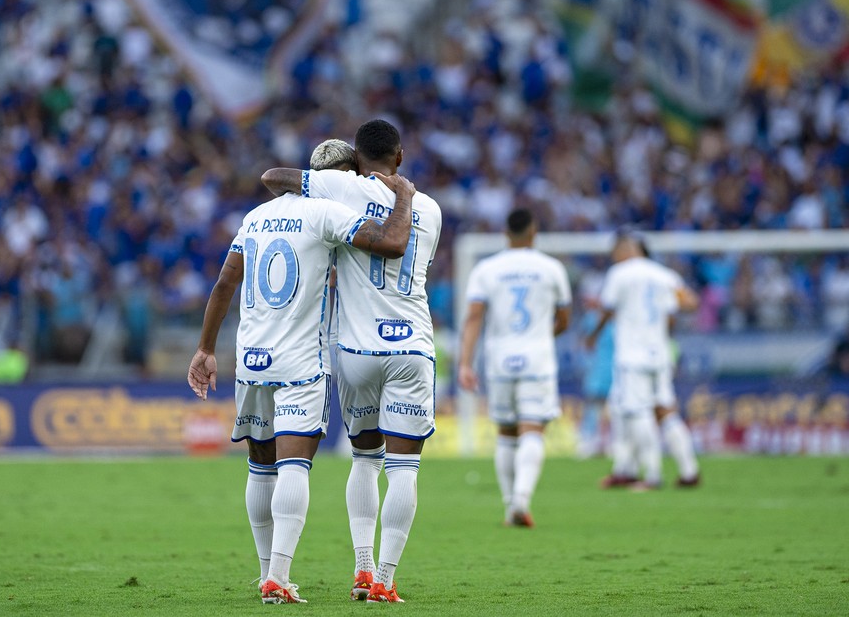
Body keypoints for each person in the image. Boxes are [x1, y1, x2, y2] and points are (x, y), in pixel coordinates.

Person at [187, 169, 416, 605]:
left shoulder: (255, 216)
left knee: (259, 467)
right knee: (293, 466)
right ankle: (278, 575)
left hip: (252, 357)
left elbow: (223, 284)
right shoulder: (327, 212)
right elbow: (389, 243)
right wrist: (404, 197)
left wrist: (205, 348)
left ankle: (265, 575)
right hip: (299, 362)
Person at [261, 120, 442, 603]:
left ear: (358, 159)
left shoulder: (341, 188)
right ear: (399, 157)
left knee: (365, 458)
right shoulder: (430, 208)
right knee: (404, 469)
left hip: (357, 351)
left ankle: (361, 568)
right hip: (412, 348)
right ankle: (383, 579)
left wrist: (327, 182)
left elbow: (274, 177)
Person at [457, 208, 571, 527]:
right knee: (532, 428)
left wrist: (466, 363)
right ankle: (522, 499)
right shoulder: (552, 268)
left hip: (499, 359)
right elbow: (564, 319)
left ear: (505, 234)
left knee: (507, 432)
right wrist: (542, 336)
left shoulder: (487, 269)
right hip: (537, 357)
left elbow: (474, 318)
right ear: (534, 232)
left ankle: (510, 507)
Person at [586, 232, 701, 490]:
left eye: (616, 251)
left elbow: (607, 309)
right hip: (660, 353)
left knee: (636, 411)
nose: (614, 256)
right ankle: (687, 471)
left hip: (632, 356)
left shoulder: (620, 273)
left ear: (627, 249)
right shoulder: (664, 275)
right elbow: (690, 303)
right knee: (661, 408)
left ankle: (652, 475)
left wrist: (593, 335)